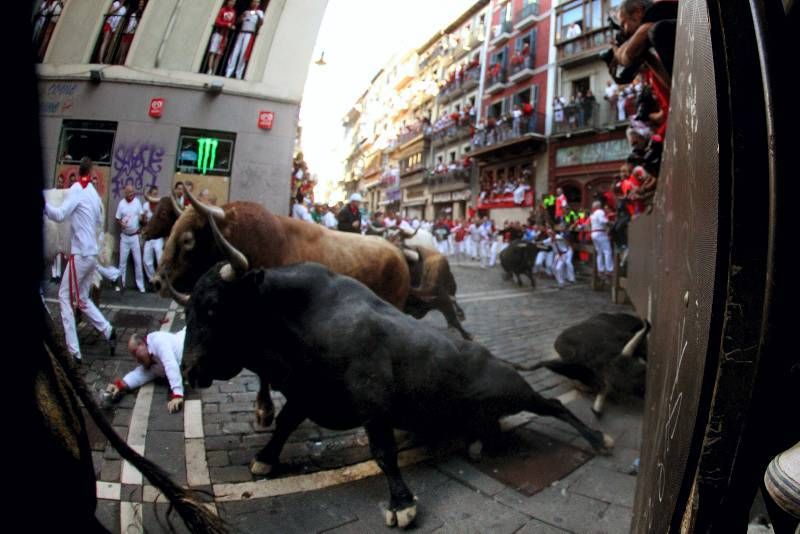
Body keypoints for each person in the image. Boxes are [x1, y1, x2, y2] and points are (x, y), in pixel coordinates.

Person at [44, 157, 116, 362]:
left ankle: (74, 351)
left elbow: (59, 215)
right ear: (91, 172)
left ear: (78, 171)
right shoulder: (93, 193)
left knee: (64, 297)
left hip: (80, 255)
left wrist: (45, 206)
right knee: (83, 299)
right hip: (90, 254)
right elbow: (93, 222)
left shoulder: (77, 189)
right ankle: (108, 330)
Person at [104, 328, 187, 414]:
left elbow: (170, 364)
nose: (137, 360)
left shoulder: (158, 341)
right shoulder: (149, 359)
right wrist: (120, 385)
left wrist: (177, 394)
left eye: (135, 353)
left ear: (142, 344)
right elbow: (140, 374)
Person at [116, 184, 146, 293]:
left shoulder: (137, 202)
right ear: (125, 193)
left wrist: (143, 218)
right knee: (122, 262)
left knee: (138, 262)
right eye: (129, 193)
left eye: (133, 193)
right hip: (124, 237)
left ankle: (141, 286)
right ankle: (121, 284)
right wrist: (121, 224)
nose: (131, 195)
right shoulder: (121, 204)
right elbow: (118, 218)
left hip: (135, 237)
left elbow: (142, 217)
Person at [225, 0, 264, 79]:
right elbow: (238, 21)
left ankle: (238, 74)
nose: (255, 4)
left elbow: (260, 23)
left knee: (243, 54)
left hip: (249, 34)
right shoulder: (246, 12)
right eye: (254, 2)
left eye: (257, 2)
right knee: (235, 51)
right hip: (241, 32)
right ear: (251, 3)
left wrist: (257, 15)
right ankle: (228, 72)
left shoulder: (260, 12)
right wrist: (242, 16)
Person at [141, 186, 163, 291]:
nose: (155, 196)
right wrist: (144, 218)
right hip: (149, 237)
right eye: (153, 194)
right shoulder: (145, 205)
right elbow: (143, 222)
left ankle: (163, 281)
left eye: (156, 194)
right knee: (146, 260)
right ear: (150, 195)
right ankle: (153, 280)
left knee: (160, 259)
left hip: (158, 236)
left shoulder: (160, 205)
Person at [206, 0, 237, 75]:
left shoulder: (233, 12)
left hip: (225, 35)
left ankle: (214, 70)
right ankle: (209, 69)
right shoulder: (222, 10)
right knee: (213, 52)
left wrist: (232, 26)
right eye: (231, 1)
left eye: (233, 2)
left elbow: (232, 22)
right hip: (218, 33)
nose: (232, 3)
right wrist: (226, 24)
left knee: (219, 54)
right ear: (228, 2)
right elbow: (217, 21)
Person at [590, 200, 614, 282]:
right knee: (607, 251)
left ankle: (601, 270)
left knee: (599, 253)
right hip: (600, 233)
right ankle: (609, 269)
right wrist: (610, 222)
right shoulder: (600, 212)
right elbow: (603, 221)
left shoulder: (592, 214)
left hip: (593, 233)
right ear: (599, 206)